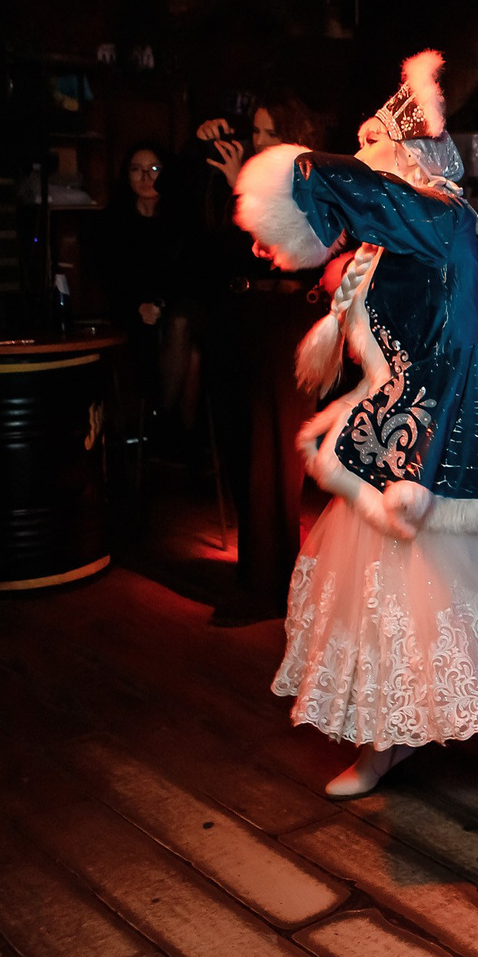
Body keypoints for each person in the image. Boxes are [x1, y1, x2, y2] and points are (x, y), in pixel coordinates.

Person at [233, 51, 478, 866]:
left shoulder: (439, 221)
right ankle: (392, 738)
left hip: (441, 448)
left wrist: (296, 173)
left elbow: (447, 348)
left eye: (381, 157)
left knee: (462, 622)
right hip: (391, 441)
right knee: (377, 610)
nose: (374, 173)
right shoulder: (396, 240)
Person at [193, 94, 328, 624]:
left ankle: (268, 587)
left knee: (272, 454)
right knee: (246, 446)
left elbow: (286, 250)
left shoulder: (306, 182)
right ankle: (262, 578)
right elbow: (217, 247)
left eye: (270, 132)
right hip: (244, 317)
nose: (258, 142)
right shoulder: (254, 179)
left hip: (284, 319)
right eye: (256, 131)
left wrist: (240, 189)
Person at [99, 143, 198, 442]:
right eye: (136, 169)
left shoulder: (179, 221)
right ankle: (173, 440)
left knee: (190, 343)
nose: (145, 177)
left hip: (175, 310)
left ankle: (164, 430)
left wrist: (161, 304)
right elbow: (109, 280)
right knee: (190, 356)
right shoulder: (113, 223)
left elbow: (189, 276)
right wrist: (136, 307)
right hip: (131, 318)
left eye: (154, 169)